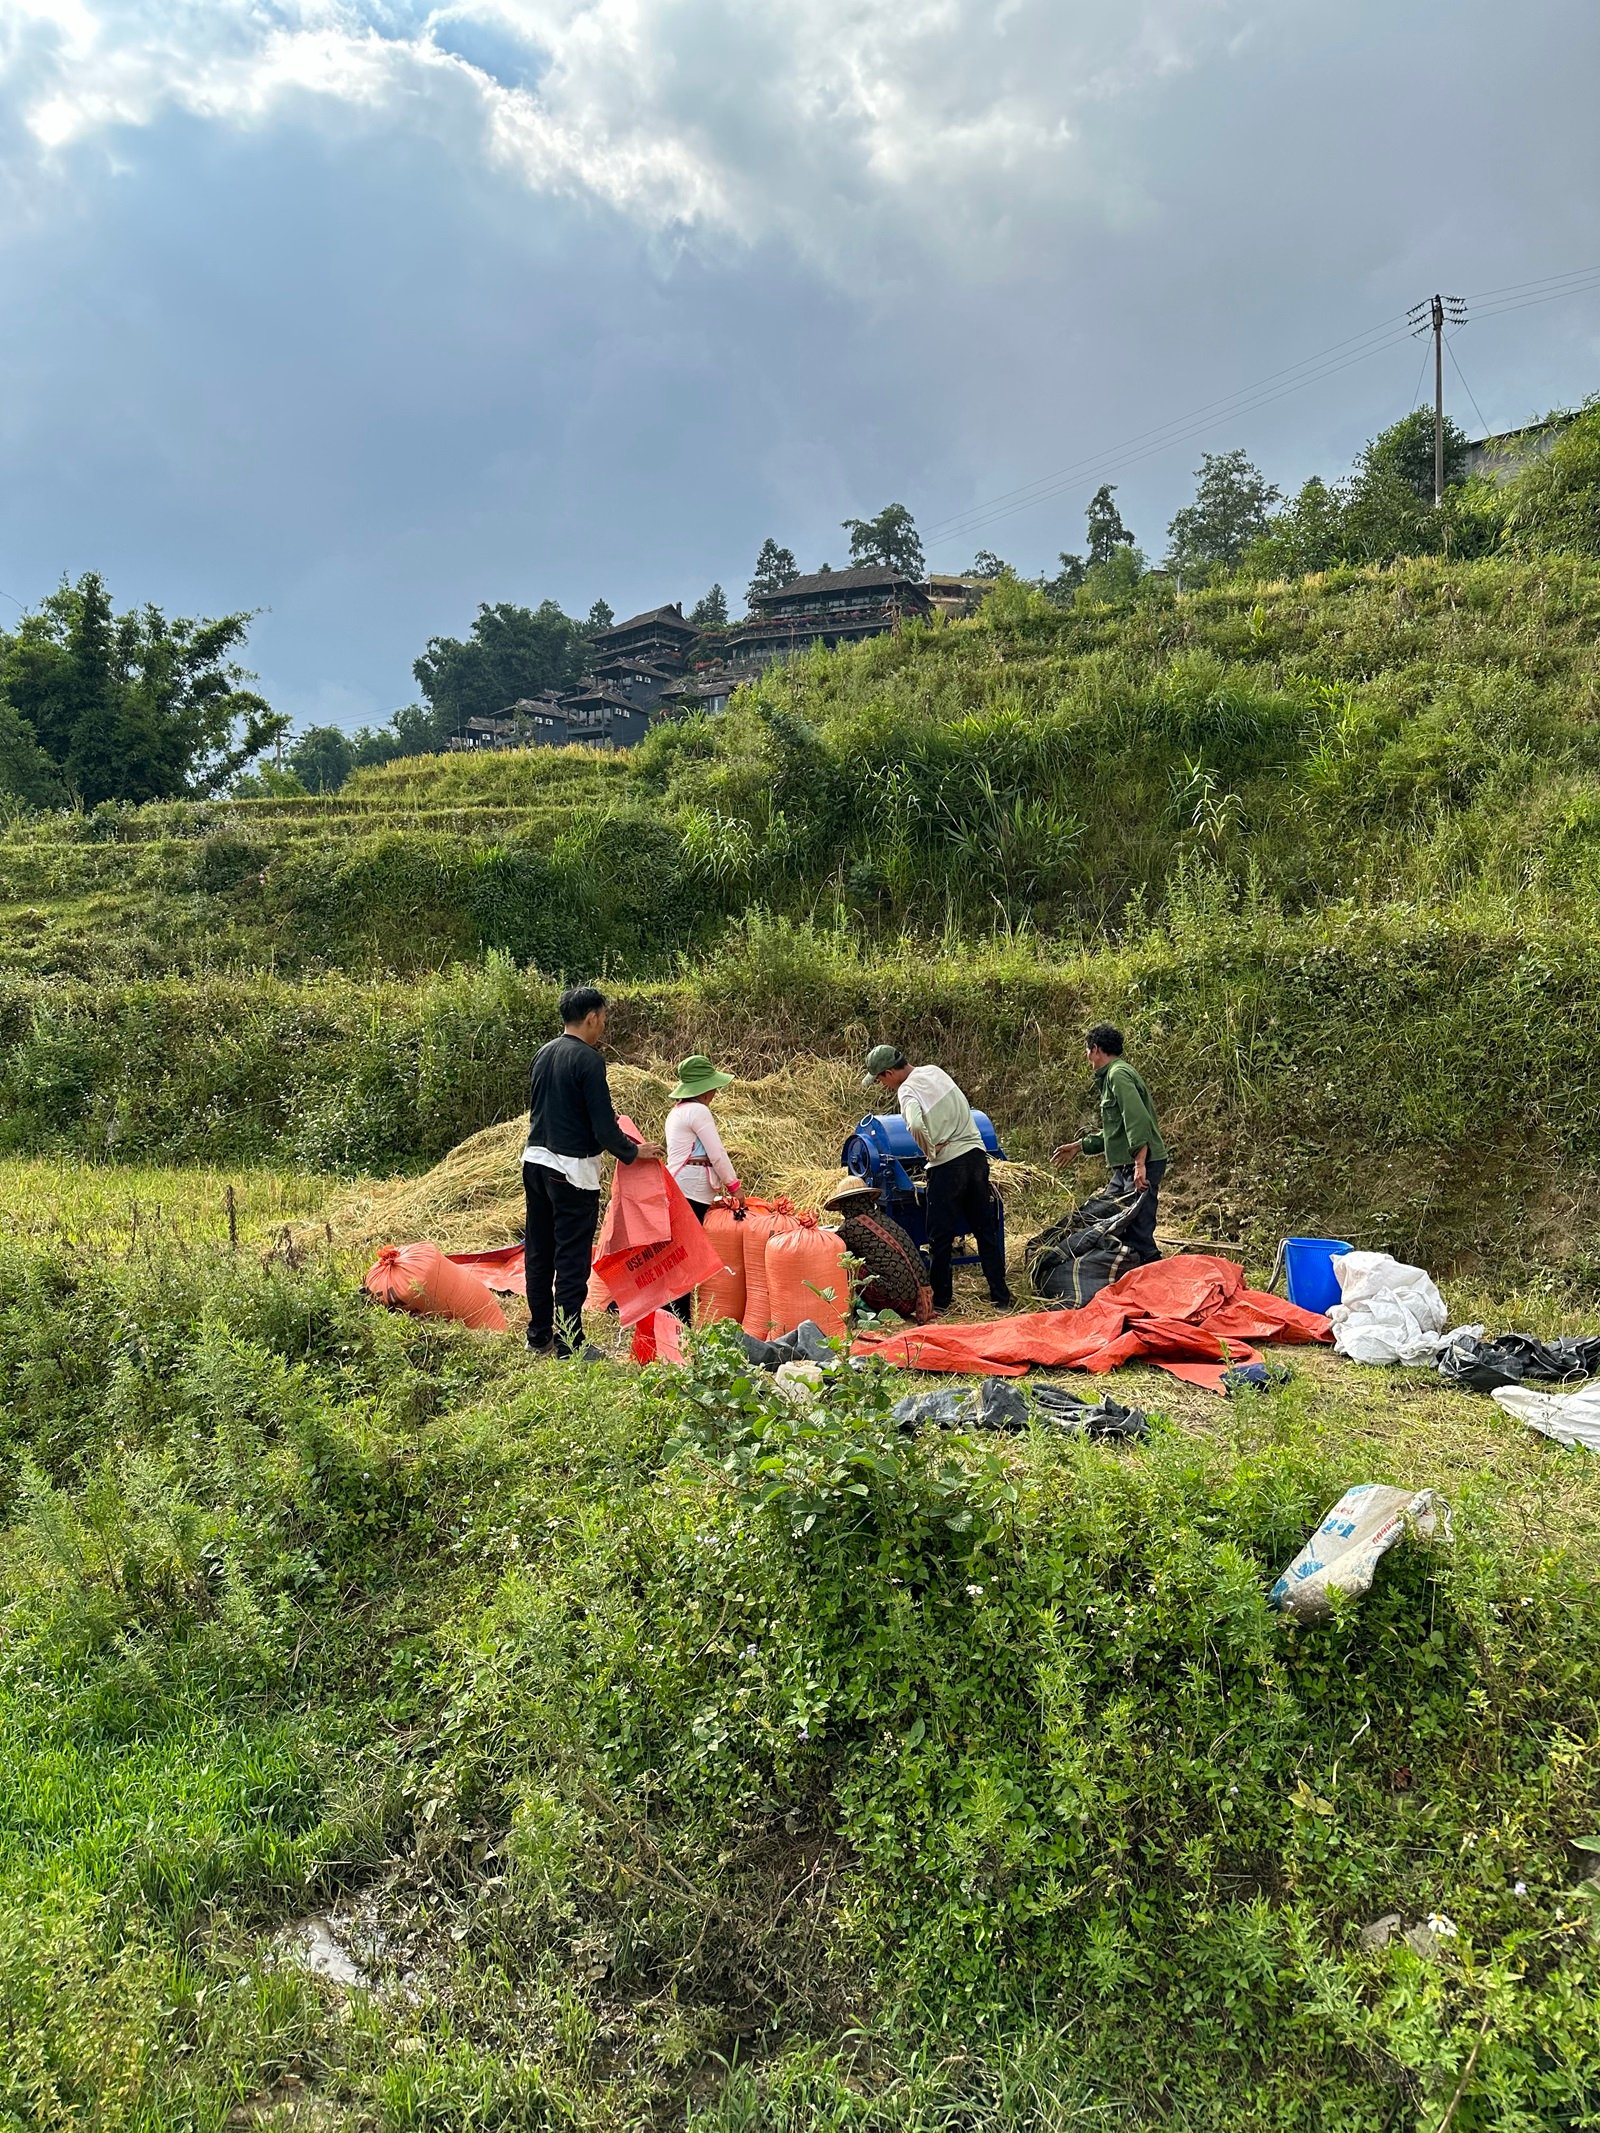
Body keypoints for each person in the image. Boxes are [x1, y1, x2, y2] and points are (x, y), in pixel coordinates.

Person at [523, 985, 660, 1358]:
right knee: (570, 1257)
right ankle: (570, 1344)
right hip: (570, 1170)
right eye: (603, 1018)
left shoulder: (544, 1053)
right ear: (591, 1017)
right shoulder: (588, 1059)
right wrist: (633, 1152)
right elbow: (602, 1127)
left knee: (538, 1251)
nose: (603, 1026)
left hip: (534, 1161)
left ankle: (539, 1336)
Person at [863, 1044, 1011, 1312]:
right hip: (976, 1157)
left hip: (947, 1167)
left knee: (939, 1238)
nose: (883, 1085)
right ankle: (1001, 1297)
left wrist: (929, 1150)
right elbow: (964, 1105)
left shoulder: (907, 1090)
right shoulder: (934, 1071)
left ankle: (941, 1302)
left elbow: (916, 1125)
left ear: (888, 1073)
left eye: (880, 1080)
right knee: (984, 1229)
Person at [1052, 1023, 1168, 1267]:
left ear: (1095, 1049)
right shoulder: (1112, 1076)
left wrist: (1139, 1164)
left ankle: (1153, 1273)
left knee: (1138, 1229)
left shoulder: (1118, 1075)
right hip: (1126, 1165)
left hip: (1141, 1162)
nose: (1087, 1058)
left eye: (1087, 1051)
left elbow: (1137, 1119)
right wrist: (1080, 1146)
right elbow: (1117, 1130)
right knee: (1110, 1215)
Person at [664, 1054, 742, 1320]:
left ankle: (671, 1319)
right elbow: (717, 1153)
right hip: (692, 1190)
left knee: (677, 1257)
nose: (715, 1092)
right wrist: (734, 1187)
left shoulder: (676, 1112)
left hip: (677, 1187)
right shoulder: (699, 1111)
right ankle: (679, 1323)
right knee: (685, 1261)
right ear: (705, 1088)